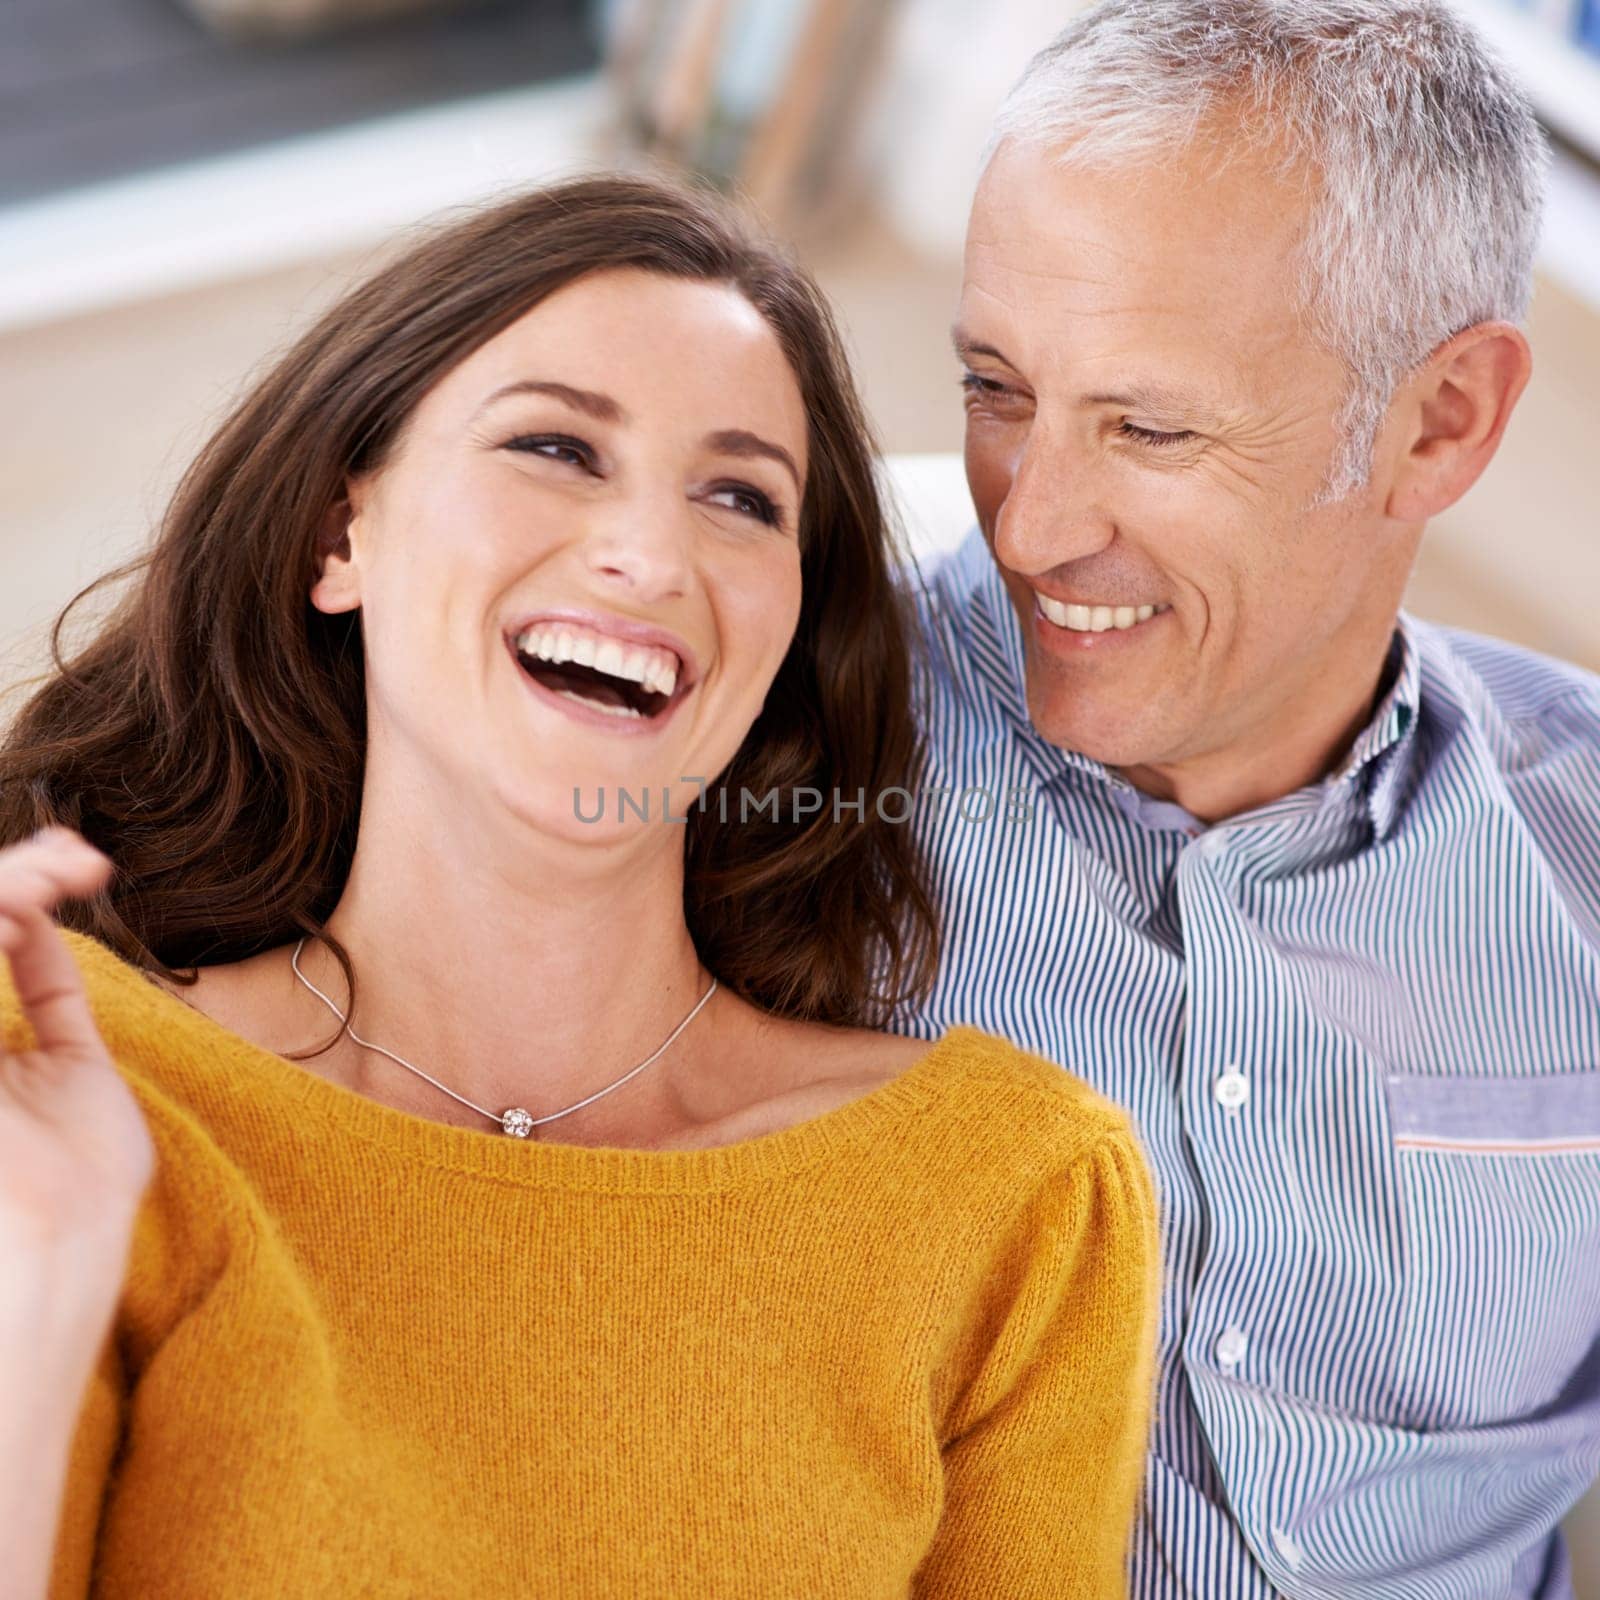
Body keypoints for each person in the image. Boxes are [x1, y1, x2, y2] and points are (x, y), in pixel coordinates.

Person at [0, 175, 1160, 1598]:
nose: (651, 554)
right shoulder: (72, 1087)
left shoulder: (1009, 1196)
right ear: (337, 538)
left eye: (740, 497)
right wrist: (38, 1275)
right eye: (556, 445)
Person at [890, 2, 1600, 1597]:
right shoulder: (761, 702)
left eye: (1149, 426)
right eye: (997, 388)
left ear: (1442, 421)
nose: (1034, 527)